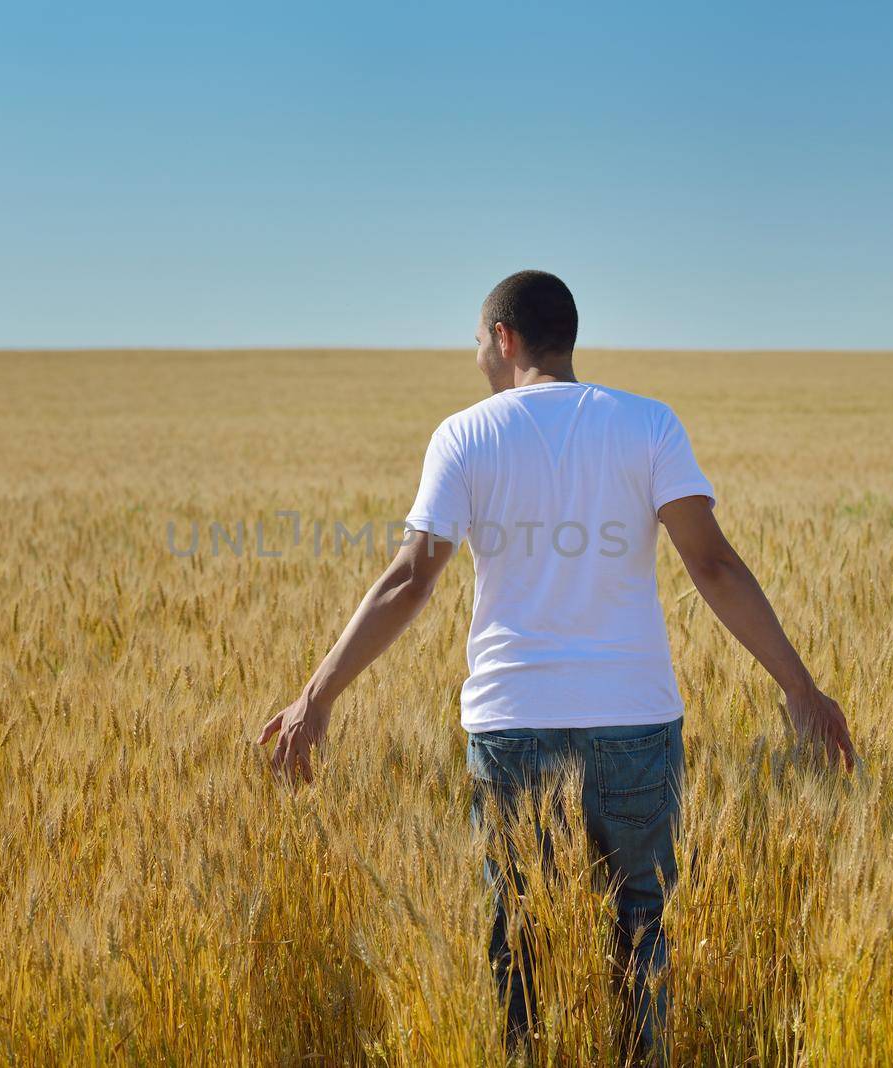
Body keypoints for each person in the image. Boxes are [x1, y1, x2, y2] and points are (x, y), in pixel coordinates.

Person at [257, 269, 856, 1063]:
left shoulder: (465, 435)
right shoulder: (648, 424)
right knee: (644, 925)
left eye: (476, 339)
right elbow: (712, 567)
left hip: (512, 725)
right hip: (635, 721)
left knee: (517, 935)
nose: (475, 353)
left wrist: (317, 698)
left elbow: (410, 579)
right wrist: (800, 688)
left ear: (503, 338)